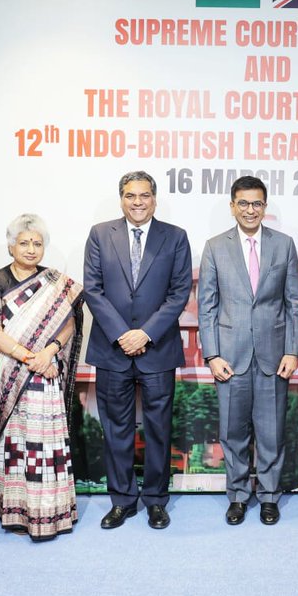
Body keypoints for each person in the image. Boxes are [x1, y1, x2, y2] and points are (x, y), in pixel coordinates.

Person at [83, 171, 192, 530]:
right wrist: (122, 334)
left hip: (157, 349)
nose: (138, 202)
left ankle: (157, 501)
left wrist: (144, 334)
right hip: (111, 350)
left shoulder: (175, 237)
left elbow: (179, 293)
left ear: (155, 199)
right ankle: (123, 500)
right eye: (130, 195)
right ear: (121, 199)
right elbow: (93, 290)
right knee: (116, 428)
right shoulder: (100, 234)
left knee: (159, 428)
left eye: (144, 195)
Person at [197, 175, 298, 526]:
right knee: (233, 434)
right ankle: (239, 496)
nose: (250, 210)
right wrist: (212, 355)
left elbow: (294, 303)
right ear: (232, 206)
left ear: (265, 206)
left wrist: (292, 351)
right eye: (243, 203)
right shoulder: (215, 246)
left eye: (256, 203)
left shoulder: (283, 245)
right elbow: (207, 307)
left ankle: (270, 496)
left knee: (271, 432)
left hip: (274, 358)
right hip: (229, 358)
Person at [0, 214, 83, 540]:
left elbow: (69, 324)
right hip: (12, 373)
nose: (31, 249)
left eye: (37, 243)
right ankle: (17, 511)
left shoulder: (55, 282)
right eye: (24, 242)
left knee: (46, 442)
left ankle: (51, 511)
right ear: (11, 245)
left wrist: (49, 352)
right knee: (17, 443)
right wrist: (32, 358)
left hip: (46, 371)